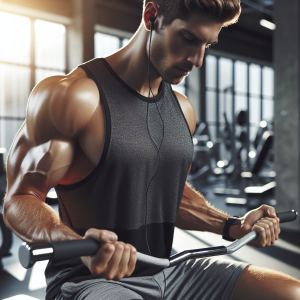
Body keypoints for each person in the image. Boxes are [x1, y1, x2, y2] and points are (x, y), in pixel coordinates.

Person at [2, 0, 300, 299]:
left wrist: (232, 225)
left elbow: (171, 196)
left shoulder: (183, 110)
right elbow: (20, 198)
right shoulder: (72, 95)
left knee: (290, 293)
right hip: (91, 280)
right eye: (189, 38)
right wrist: (73, 244)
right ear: (151, 16)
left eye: (207, 45)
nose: (197, 59)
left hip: (168, 269)